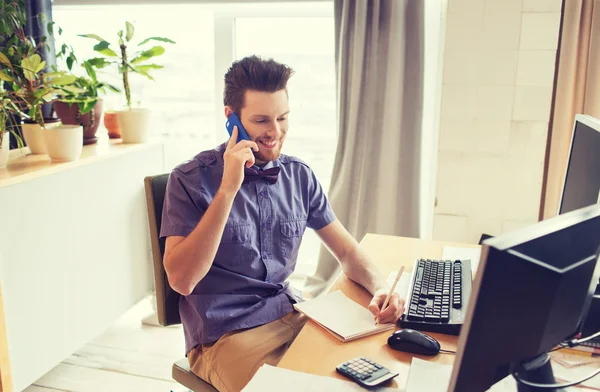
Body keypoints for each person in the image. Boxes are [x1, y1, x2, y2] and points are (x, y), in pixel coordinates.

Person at [160, 55, 405, 392]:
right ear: (232, 119)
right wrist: (228, 189)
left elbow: (348, 252)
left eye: (282, 118)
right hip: (226, 336)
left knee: (379, 384)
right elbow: (183, 280)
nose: (275, 132)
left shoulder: (299, 175)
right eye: (261, 120)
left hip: (293, 314)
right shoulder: (188, 180)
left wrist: (380, 287)